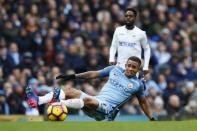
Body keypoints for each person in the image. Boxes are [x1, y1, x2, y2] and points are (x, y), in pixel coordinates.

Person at [26, 56, 155, 121]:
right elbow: (93, 74)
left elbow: (143, 102)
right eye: (129, 65)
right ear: (125, 65)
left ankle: (58, 104)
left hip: (106, 110)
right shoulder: (114, 70)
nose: (131, 69)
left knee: (88, 100)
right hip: (96, 101)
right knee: (69, 90)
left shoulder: (137, 85)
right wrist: (73, 76)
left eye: (134, 67)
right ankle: (38, 100)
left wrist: (151, 117)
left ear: (138, 70)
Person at [109, 8, 151, 78]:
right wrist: (111, 58)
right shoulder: (118, 30)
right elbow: (113, 46)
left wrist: (146, 66)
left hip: (133, 69)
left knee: (130, 87)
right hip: (119, 67)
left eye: (130, 16)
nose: (128, 18)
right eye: (126, 16)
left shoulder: (141, 33)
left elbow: (147, 49)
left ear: (135, 18)